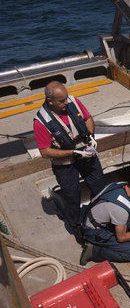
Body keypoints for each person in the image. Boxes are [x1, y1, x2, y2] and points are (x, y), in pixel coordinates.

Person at [33, 81, 105, 236]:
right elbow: (45, 152)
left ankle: (99, 213)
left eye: (66, 98)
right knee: (72, 195)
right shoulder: (41, 122)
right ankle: (75, 225)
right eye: (61, 101)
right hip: (64, 163)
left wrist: (91, 136)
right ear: (50, 101)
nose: (66, 102)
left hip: (86, 152)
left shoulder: (73, 101)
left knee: (99, 184)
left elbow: (87, 118)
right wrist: (72, 153)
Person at [79, 171, 130, 265]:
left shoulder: (121, 185)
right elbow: (121, 238)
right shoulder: (120, 211)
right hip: (93, 232)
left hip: (93, 217)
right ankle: (94, 251)